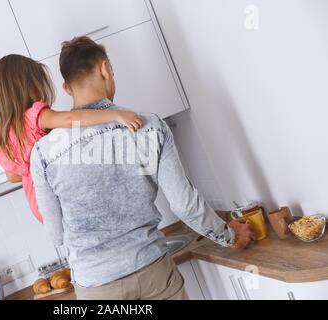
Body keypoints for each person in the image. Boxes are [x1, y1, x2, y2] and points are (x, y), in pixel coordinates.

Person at [30, 37, 256, 300]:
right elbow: (185, 205)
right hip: (153, 271)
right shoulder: (148, 128)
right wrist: (229, 236)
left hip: (96, 286)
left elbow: (56, 234)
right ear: (104, 69)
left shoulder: (43, 153)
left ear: (67, 89)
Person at [0, 54, 144, 223]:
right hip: (60, 198)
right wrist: (116, 114)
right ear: (28, 86)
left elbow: (12, 177)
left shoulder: (0, 132)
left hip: (40, 207)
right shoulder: (35, 116)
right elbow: (71, 120)